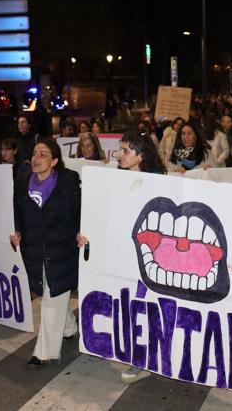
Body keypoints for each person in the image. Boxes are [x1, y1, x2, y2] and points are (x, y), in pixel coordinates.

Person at [80, 130, 164, 384]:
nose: (119, 154)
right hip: (118, 256)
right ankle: (131, 351)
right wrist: (88, 235)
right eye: (119, 149)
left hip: (143, 258)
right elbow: (103, 213)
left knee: (141, 306)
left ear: (141, 156)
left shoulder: (158, 183)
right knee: (125, 305)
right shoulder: (114, 180)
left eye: (126, 150)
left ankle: (141, 360)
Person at [10, 137, 80, 366]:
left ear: (55, 161)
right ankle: (69, 326)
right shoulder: (22, 181)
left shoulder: (68, 181)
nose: (36, 158)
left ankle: (44, 352)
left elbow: (78, 211)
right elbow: (17, 209)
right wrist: (17, 230)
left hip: (62, 249)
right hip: (35, 249)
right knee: (50, 292)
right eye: (34, 153)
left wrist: (81, 234)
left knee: (51, 297)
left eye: (43, 155)